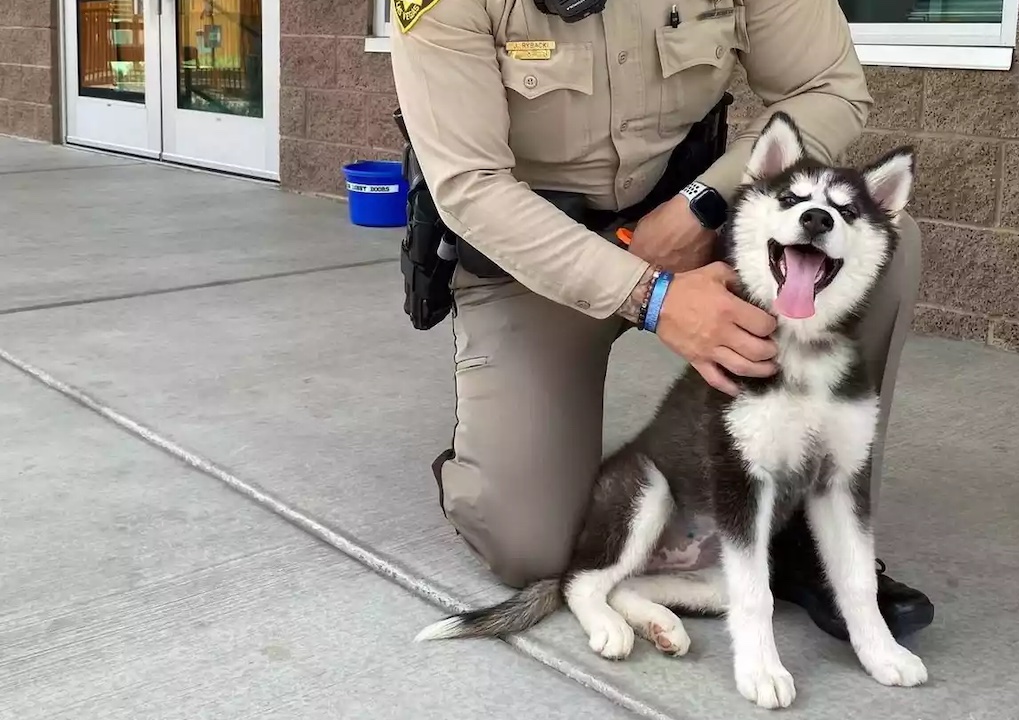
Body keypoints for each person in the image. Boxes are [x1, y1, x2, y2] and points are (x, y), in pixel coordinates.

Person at [388, 0, 934, 640]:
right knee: (531, 547)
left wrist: (701, 204)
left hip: (690, 219)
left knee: (882, 248)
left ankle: (804, 532)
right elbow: (469, 184)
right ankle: (487, 460)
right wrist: (651, 295)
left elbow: (830, 87)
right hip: (535, 257)